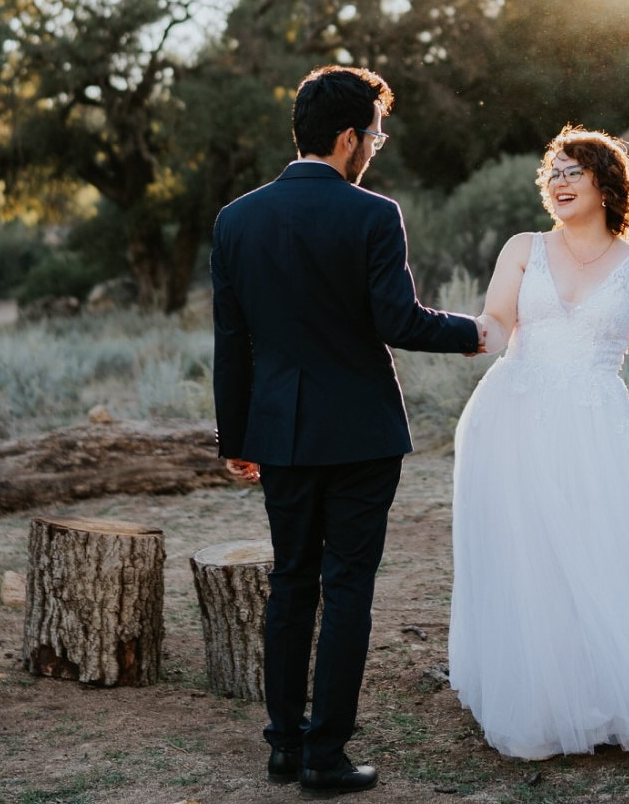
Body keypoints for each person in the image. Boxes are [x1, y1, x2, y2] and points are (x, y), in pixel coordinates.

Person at [212, 65, 496, 796]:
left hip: (278, 434)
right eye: (374, 132)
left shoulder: (235, 219)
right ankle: (326, 757)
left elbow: (232, 343)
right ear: (348, 138)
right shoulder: (373, 214)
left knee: (291, 585)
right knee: (347, 592)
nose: (377, 144)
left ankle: (283, 747)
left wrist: (235, 437)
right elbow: (397, 321)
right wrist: (475, 333)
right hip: (362, 436)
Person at [448, 125, 629, 760]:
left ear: (607, 186)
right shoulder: (523, 248)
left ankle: (610, 695)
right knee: (531, 558)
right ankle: (545, 701)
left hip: (597, 423)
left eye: (572, 171)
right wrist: (454, 333)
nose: (557, 181)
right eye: (551, 171)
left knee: (602, 552)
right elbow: (497, 324)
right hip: (513, 416)